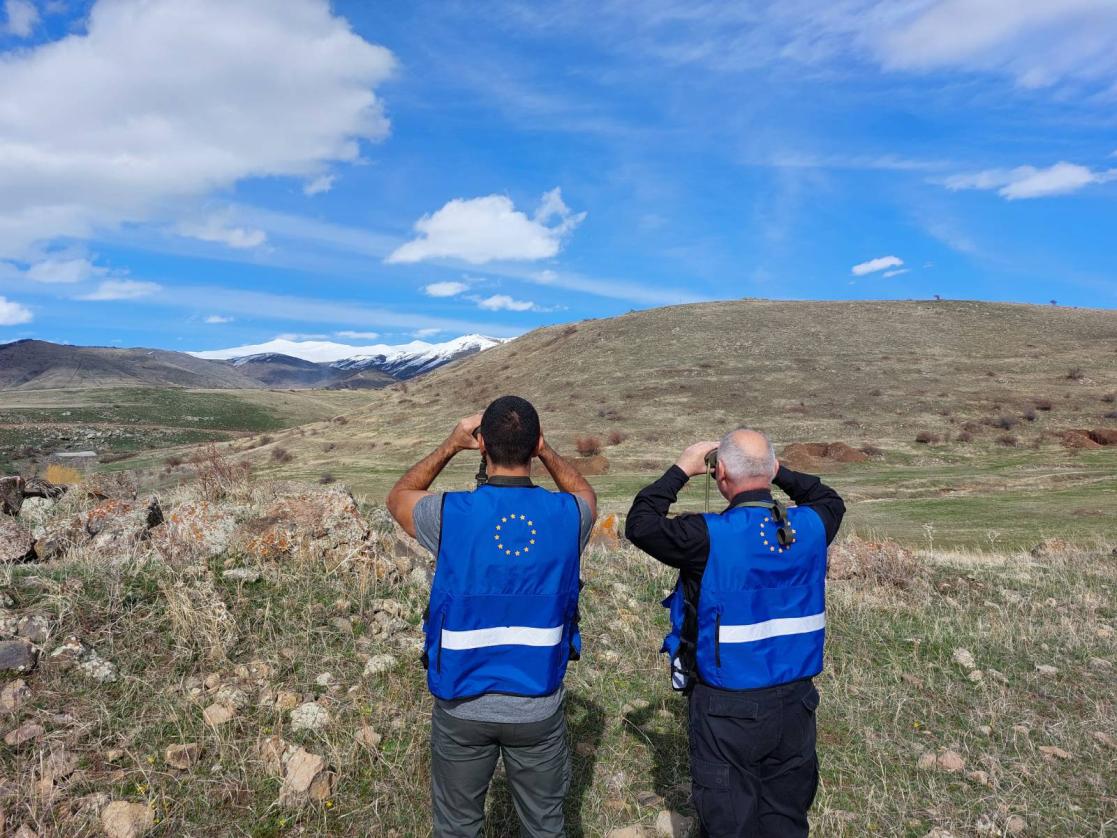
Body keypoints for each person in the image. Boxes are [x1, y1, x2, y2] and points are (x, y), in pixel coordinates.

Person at [387, 395, 597, 838]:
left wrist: (449, 445)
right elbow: (585, 494)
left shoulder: (448, 514)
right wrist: (546, 450)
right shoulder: (569, 516)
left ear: (482, 446)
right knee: (545, 828)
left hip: (462, 702)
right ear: (534, 444)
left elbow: (399, 496)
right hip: (537, 704)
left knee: (457, 828)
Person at [625, 429, 845, 838]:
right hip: (797, 702)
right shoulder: (811, 526)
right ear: (771, 469)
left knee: (729, 822)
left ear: (719, 472)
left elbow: (640, 524)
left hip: (727, 707)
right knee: (786, 819)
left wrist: (681, 469)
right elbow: (829, 499)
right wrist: (777, 472)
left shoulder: (707, 536)